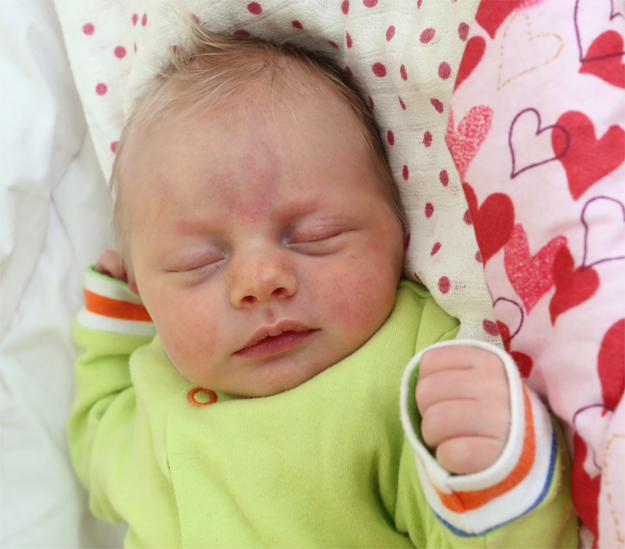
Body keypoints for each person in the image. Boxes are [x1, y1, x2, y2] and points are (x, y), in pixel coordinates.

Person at [69, 26, 577, 548]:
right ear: (146, 292)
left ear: (399, 230)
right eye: (198, 263)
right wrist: (118, 326)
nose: (260, 281)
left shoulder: (409, 371)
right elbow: (97, 435)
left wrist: (494, 470)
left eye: (316, 236)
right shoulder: (156, 384)